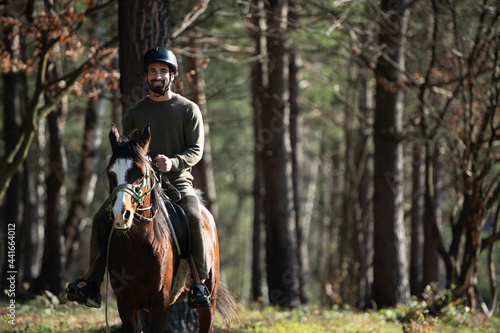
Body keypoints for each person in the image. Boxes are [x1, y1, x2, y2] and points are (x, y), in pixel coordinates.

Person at [66, 46, 210, 309]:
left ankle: (200, 283)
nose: (158, 76)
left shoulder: (189, 109)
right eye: (153, 71)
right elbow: (125, 149)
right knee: (101, 218)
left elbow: (196, 150)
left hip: (177, 183)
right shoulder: (134, 112)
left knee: (193, 218)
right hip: (138, 185)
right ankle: (92, 285)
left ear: (172, 76)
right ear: (146, 76)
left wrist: (173, 162)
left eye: (163, 71)